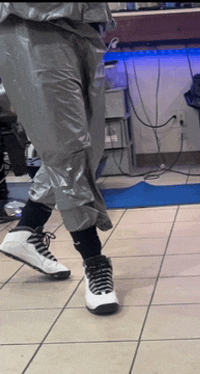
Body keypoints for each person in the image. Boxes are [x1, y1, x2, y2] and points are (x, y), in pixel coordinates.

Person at [0, 3, 119, 315]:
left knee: (89, 148)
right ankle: (94, 261)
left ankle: (28, 228)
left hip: (87, 20)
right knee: (66, 148)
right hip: (30, 20)